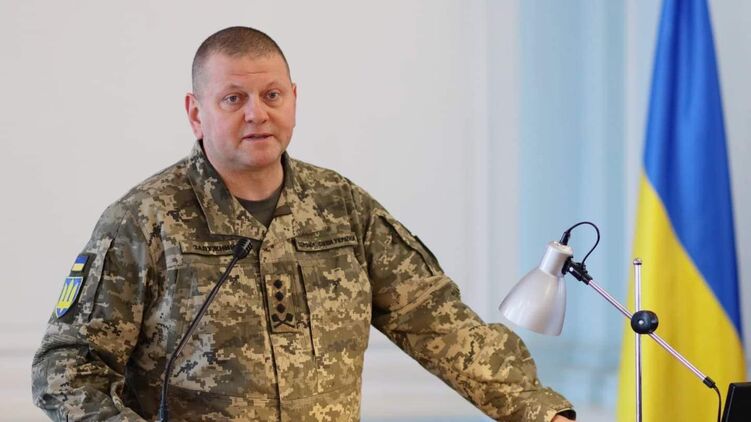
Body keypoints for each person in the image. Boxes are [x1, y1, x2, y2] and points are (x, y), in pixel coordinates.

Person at [32, 26, 576, 421]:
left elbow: (438, 323)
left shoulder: (342, 207)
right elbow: (67, 368)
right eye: (233, 99)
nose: (257, 113)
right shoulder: (144, 220)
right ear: (197, 113)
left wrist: (539, 411)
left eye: (271, 95)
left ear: (293, 99)